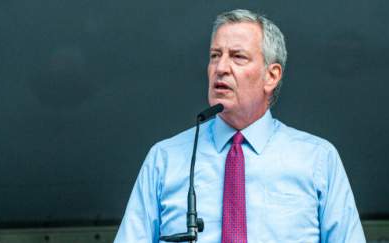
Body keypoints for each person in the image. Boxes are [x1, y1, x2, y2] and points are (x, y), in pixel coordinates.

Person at [114, 9, 366, 242]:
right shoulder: (164, 159)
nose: (221, 68)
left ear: (272, 75)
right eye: (215, 56)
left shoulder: (318, 160)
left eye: (238, 57)